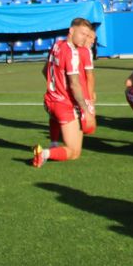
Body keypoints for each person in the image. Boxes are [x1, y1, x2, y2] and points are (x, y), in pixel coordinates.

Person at [31, 18, 98, 166]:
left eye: (87, 35)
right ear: (71, 31)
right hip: (64, 105)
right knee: (74, 152)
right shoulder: (72, 53)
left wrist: (55, 88)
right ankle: (44, 154)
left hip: (50, 100)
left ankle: (53, 144)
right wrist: (86, 111)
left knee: (56, 121)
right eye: (82, 34)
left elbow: (45, 70)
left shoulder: (56, 45)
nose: (85, 38)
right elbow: (74, 84)